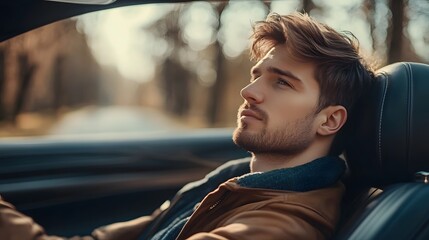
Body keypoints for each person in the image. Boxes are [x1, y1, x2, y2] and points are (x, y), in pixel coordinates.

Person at [0, 12, 374, 240]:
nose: (248, 91)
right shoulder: (229, 182)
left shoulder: (283, 225)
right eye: (256, 75)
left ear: (330, 120)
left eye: (281, 82)